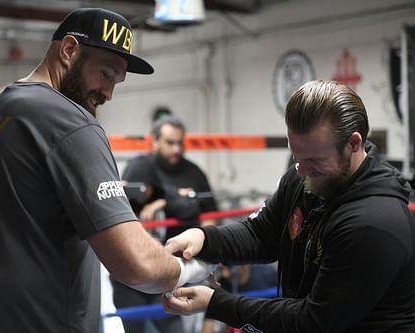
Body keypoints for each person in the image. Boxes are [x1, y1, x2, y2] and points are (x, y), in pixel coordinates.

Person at [0, 8, 215, 333]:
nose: (109, 94)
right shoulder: (69, 122)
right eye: (105, 74)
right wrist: (199, 265)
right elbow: (138, 266)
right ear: (69, 50)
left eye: (116, 81)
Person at [163, 80, 415, 332]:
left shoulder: (374, 223)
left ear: (354, 144)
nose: (302, 171)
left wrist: (216, 303)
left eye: (314, 160)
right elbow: (261, 234)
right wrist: (205, 239)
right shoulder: (304, 179)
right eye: (296, 157)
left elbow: (314, 321)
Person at [112, 155, 202, 333]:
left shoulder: (163, 195)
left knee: (174, 329)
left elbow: (191, 209)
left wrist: (162, 202)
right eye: (134, 187)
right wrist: (115, 193)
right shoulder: (121, 199)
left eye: (143, 187)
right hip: (128, 281)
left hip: (161, 278)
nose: (139, 194)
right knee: (134, 328)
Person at [150, 115, 218, 240]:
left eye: (180, 143)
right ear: (155, 141)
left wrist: (201, 239)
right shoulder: (140, 170)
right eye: (170, 143)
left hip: (188, 253)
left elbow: (210, 213)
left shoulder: (195, 172)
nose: (177, 149)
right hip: (147, 250)